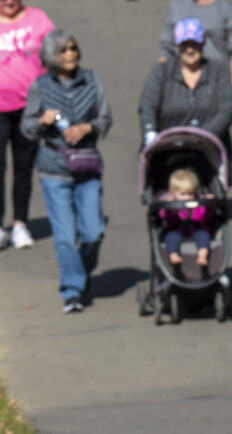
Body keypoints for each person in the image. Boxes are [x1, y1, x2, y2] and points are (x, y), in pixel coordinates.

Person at [20, 29, 112, 314]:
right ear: (50, 56)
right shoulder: (40, 86)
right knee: (64, 236)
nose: (70, 54)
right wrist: (43, 121)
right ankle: (72, 291)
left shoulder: (91, 80)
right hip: (54, 169)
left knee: (93, 232)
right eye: (63, 50)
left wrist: (87, 127)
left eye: (73, 48)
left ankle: (79, 272)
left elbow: (106, 119)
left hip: (87, 167)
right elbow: (26, 126)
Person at [158, 0, 232, 185]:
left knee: (216, 132)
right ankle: (180, 185)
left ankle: (218, 182)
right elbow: (166, 48)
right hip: (181, 80)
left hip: (215, 83)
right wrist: (162, 82)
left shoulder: (227, 9)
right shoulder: (177, 7)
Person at [139, 18, 232, 170]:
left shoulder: (219, 72)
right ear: (177, 45)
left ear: (203, 43)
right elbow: (148, 103)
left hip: (209, 150)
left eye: (194, 44)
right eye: (185, 44)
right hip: (168, 150)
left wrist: (207, 136)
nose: (190, 50)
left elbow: (227, 108)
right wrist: (150, 132)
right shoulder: (162, 71)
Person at [0, 0, 54, 249]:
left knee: (23, 168)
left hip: (29, 108)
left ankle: (20, 223)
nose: (9, 2)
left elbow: (54, 56)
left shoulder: (38, 19)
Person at [159, 169, 214, 266]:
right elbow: (163, 216)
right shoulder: (168, 200)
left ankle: (202, 256)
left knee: (204, 235)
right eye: (183, 194)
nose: (187, 197)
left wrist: (207, 204)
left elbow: (202, 217)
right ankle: (173, 255)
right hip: (175, 228)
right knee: (171, 237)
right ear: (173, 192)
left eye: (190, 193)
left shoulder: (198, 199)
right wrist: (168, 205)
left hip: (195, 228)